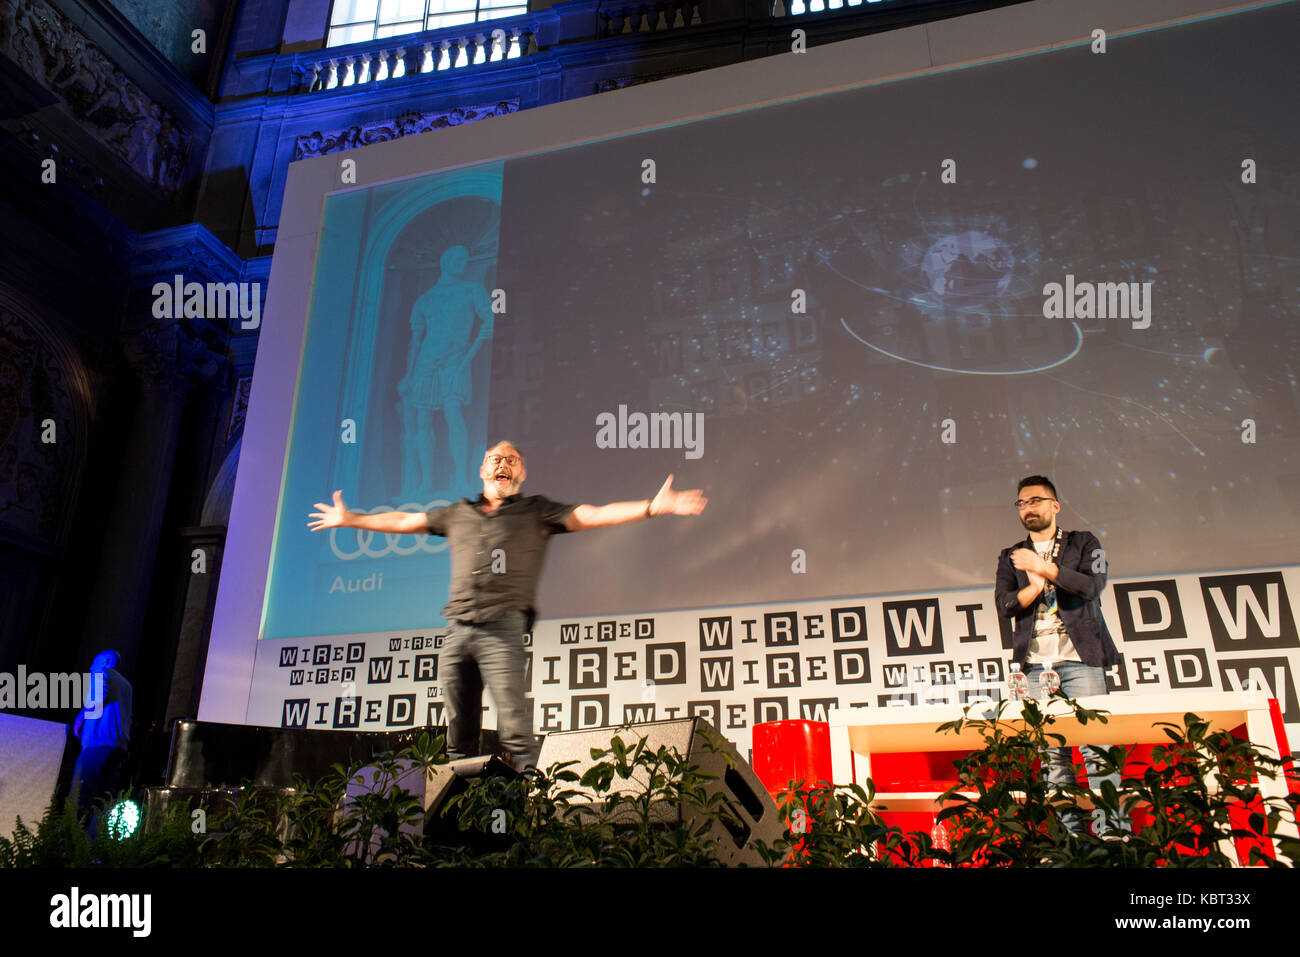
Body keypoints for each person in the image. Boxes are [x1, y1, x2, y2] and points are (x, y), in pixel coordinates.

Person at [309, 440, 706, 768]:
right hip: (457, 631)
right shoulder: (457, 513)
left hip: (502, 630)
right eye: (495, 459)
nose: (503, 463)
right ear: (483, 469)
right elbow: (402, 522)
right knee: (458, 735)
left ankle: (530, 818)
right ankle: (458, 821)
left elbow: (593, 514)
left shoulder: (536, 511)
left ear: (521, 474)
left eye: (512, 460)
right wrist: (351, 519)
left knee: (515, 730)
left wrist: (652, 507)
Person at [994, 475, 1128, 836]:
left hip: (1081, 661)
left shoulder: (1084, 543)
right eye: (1021, 503)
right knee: (1053, 758)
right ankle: (1073, 842)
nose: (1028, 508)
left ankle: (1113, 838)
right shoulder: (1011, 556)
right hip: (1035, 668)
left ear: (1055, 505)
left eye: (1035, 501)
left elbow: (1091, 586)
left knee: (1097, 749)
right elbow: (1005, 605)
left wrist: (1044, 569)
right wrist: (1034, 588)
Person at [70, 649, 132, 827]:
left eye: (94, 662)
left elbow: (97, 699)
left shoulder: (102, 672)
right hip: (118, 746)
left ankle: (72, 841)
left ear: (105, 661)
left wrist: (80, 718)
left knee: (81, 795)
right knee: (102, 798)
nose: (91, 667)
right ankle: (92, 844)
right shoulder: (127, 685)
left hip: (97, 743)